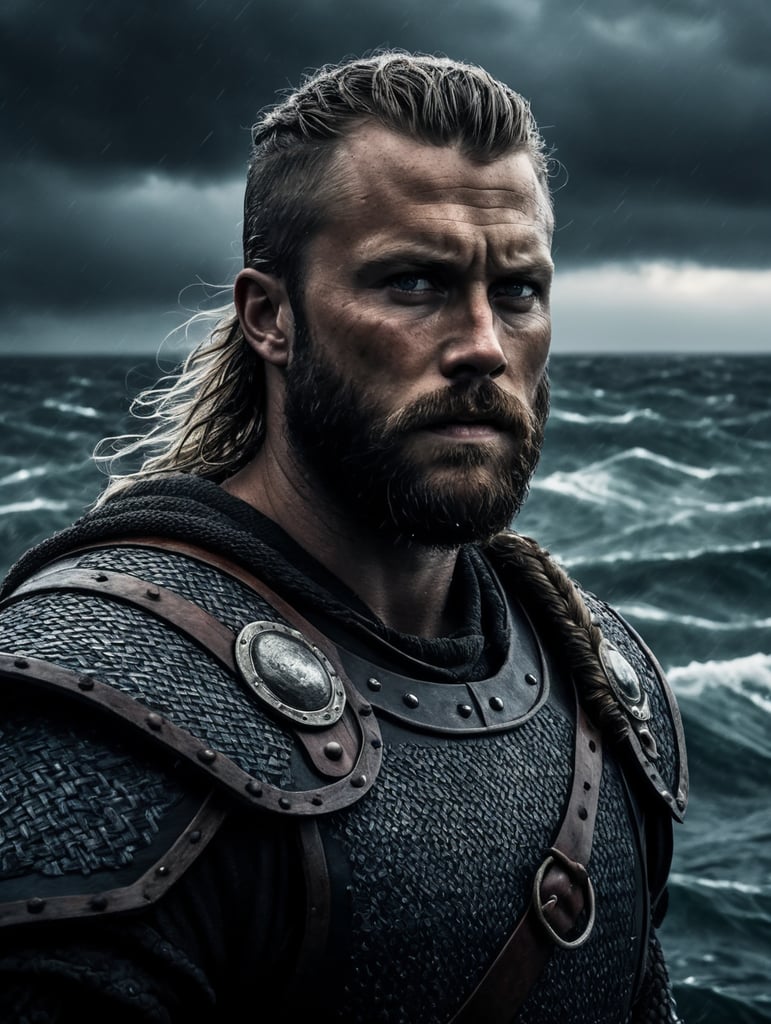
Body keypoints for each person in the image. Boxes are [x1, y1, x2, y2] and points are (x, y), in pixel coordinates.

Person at [0, 52, 687, 1022]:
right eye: (414, 283)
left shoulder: (603, 685)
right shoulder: (97, 707)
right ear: (270, 317)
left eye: (521, 291)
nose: (486, 343)